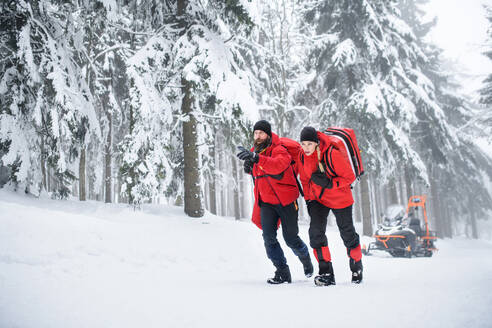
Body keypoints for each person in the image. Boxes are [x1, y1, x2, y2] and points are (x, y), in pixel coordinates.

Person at [237, 120, 313, 284]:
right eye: (256, 133)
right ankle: (282, 272)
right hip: (266, 203)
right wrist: (250, 167)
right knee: (268, 238)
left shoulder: (280, 149)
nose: (258, 136)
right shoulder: (254, 151)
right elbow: (259, 174)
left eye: (261, 133)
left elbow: (277, 166)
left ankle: (305, 257)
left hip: (286, 201)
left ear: (268, 134)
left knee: (290, 239)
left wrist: (256, 158)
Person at [297, 126, 363, 286]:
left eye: (309, 144)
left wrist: (330, 183)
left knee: (347, 234)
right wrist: (309, 200)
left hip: (340, 198)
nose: (306, 148)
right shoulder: (302, 156)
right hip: (319, 199)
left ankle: (356, 267)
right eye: (303, 144)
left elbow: (349, 177)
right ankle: (326, 272)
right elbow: (305, 180)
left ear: (317, 143)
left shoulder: (331, 154)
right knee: (315, 233)